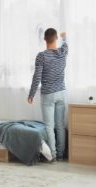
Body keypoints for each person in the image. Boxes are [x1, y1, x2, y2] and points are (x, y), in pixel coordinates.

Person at [28, 28, 68, 161]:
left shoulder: (42, 56)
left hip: (48, 95)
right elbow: (66, 44)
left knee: (49, 126)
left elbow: (37, 77)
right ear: (55, 38)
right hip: (62, 93)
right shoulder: (63, 52)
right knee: (60, 125)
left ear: (45, 39)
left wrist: (31, 94)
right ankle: (62, 154)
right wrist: (64, 37)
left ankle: (54, 156)